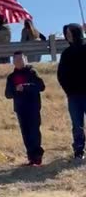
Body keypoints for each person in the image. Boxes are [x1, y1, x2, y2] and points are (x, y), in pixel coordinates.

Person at [5, 51, 45, 166]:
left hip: (33, 107)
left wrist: (26, 87)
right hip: (20, 109)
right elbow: (7, 94)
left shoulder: (32, 72)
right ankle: (31, 157)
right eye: (16, 60)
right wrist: (15, 89)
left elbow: (41, 86)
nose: (18, 62)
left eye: (20, 59)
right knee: (26, 133)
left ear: (25, 59)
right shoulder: (11, 77)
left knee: (34, 131)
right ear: (13, 62)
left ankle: (37, 156)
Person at [57, 23, 86, 160]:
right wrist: (68, 90)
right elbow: (61, 75)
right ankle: (79, 151)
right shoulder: (66, 54)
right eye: (66, 34)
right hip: (74, 96)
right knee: (77, 125)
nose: (68, 36)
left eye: (70, 33)